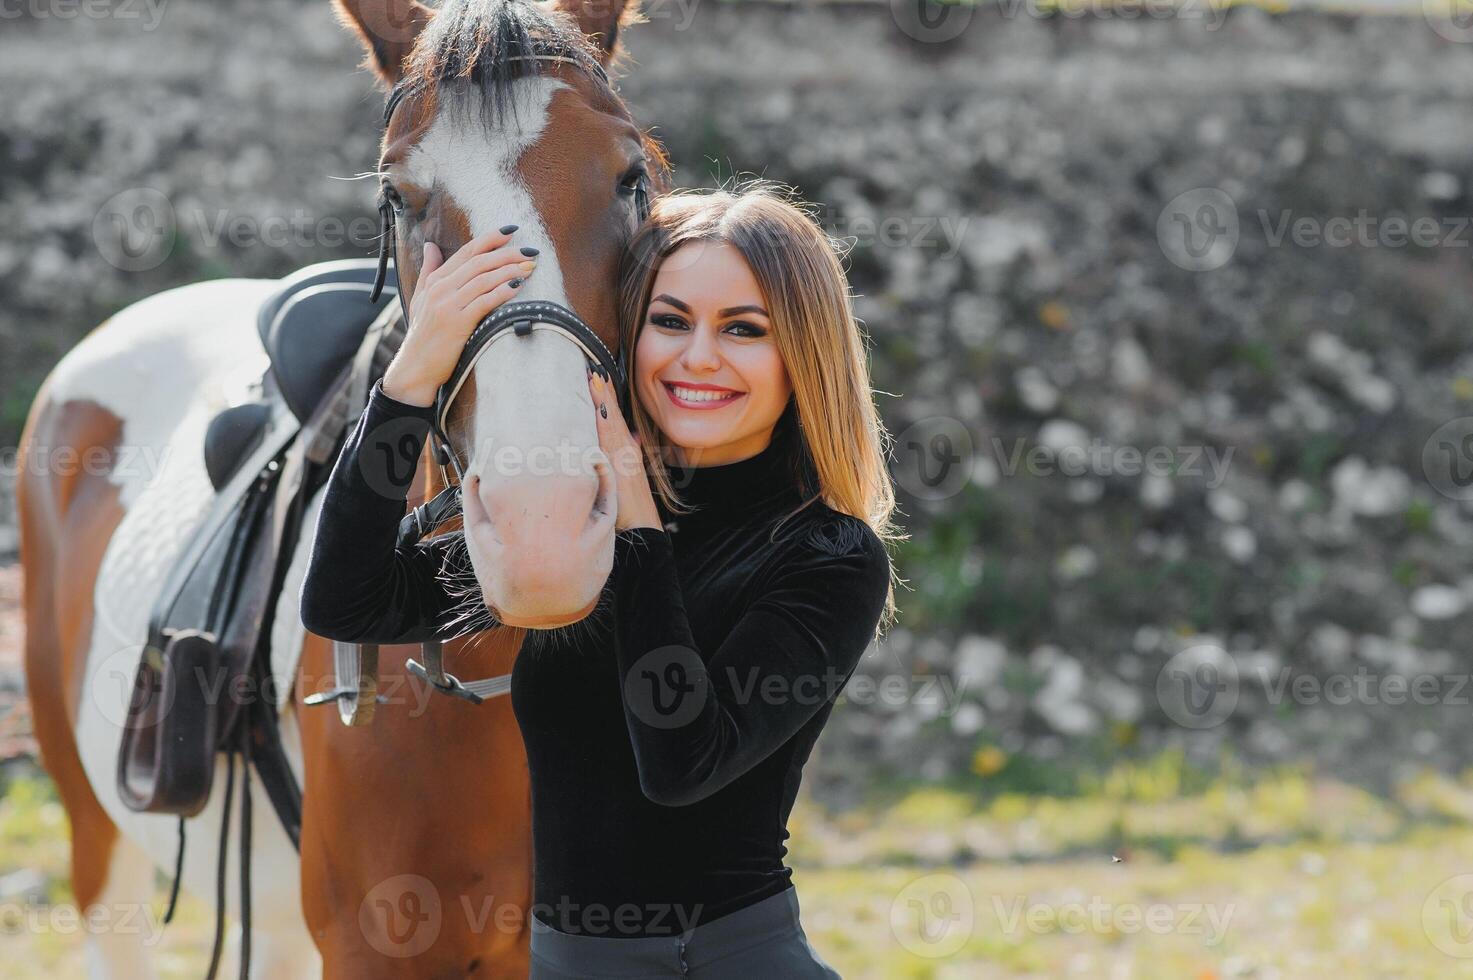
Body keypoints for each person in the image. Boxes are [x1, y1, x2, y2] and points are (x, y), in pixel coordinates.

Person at [300, 180, 902, 979]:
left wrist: (641, 529)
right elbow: (348, 599)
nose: (698, 357)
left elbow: (680, 763)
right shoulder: (574, 527)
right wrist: (410, 381)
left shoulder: (828, 555)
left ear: (803, 354)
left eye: (743, 330)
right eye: (669, 321)